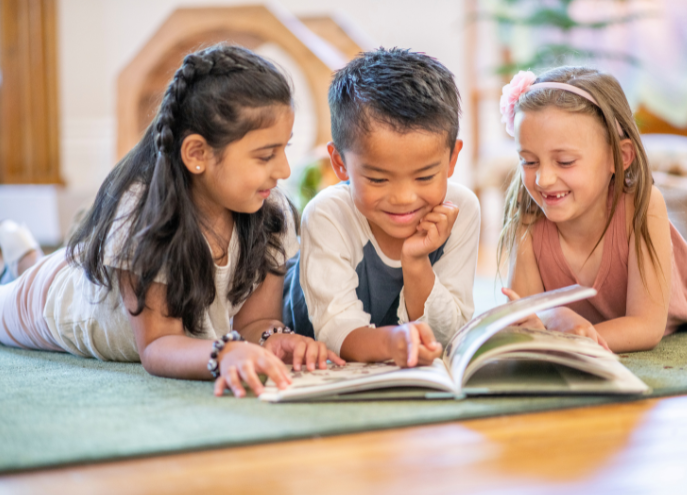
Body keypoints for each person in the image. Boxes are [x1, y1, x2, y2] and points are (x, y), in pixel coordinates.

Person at [0, 45, 344, 398]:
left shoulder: (271, 212)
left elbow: (252, 323)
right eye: (266, 155)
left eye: (284, 149)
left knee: (37, 266)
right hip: (61, 303)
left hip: (89, 275)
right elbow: (159, 344)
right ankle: (23, 262)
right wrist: (223, 352)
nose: (284, 170)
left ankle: (23, 256)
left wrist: (276, 338)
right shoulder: (144, 215)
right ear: (197, 154)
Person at [497, 66, 687, 353]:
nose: (542, 179)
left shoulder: (642, 206)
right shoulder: (527, 215)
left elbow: (645, 327)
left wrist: (571, 338)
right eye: (529, 162)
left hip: (669, 295)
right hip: (586, 327)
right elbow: (522, 313)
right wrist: (551, 315)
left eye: (565, 162)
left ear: (619, 158)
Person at [284, 48, 480, 368]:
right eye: (377, 179)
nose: (404, 198)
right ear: (340, 163)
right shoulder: (328, 214)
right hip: (307, 333)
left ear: (452, 159)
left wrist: (416, 262)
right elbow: (335, 330)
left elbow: (449, 334)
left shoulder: (461, 210)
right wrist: (396, 342)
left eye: (425, 176)